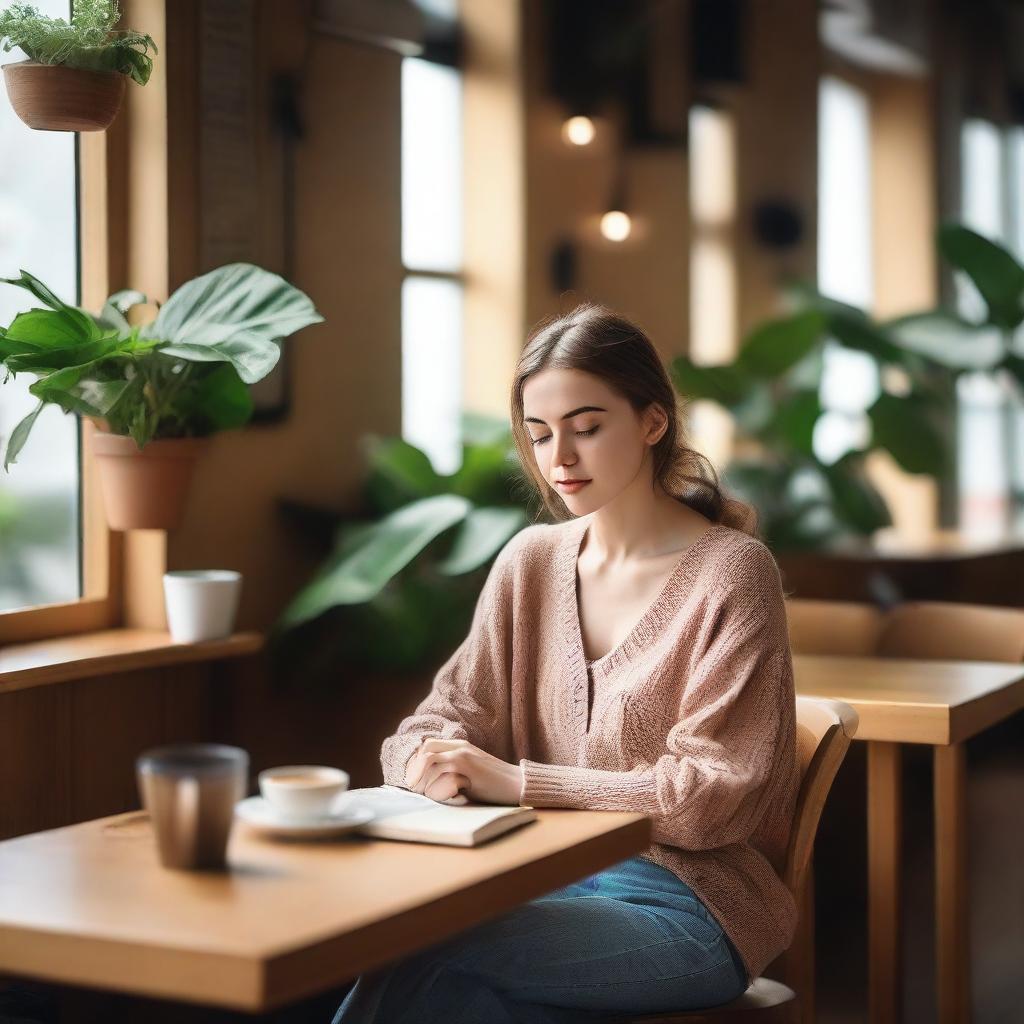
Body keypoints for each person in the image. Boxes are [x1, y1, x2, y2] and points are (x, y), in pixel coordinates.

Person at [332, 304, 798, 1023]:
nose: (560, 460)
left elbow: (710, 799)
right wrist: (427, 761)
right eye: (540, 434)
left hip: (690, 908)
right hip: (538, 881)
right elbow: (436, 718)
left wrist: (516, 780)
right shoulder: (531, 561)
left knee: (435, 957)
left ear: (652, 422)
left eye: (586, 428)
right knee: (445, 983)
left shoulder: (733, 573)